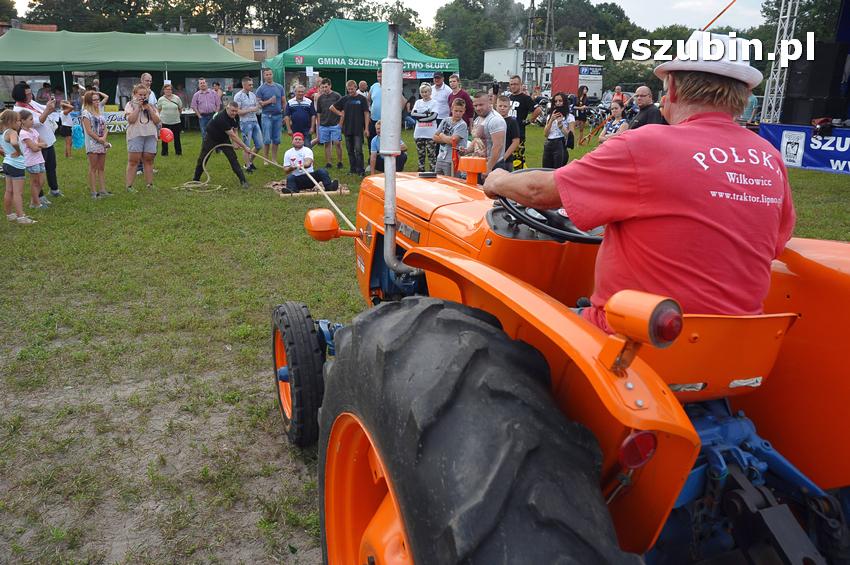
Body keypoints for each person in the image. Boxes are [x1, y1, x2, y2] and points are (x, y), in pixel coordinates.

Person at [482, 31, 796, 334]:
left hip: (633, 338)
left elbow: (541, 191)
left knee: (506, 325)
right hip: (734, 347)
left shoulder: (645, 145)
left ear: (671, 88)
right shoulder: (769, 157)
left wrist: (499, 179)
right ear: (744, 96)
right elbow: (774, 242)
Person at [12, 82, 62, 202]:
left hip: (47, 140)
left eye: (30, 93)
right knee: (38, 172)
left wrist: (49, 106)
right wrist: (48, 110)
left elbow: (42, 109)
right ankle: (40, 196)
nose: (31, 96)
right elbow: (38, 121)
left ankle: (54, 189)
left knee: (51, 166)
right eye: (28, 94)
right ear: (20, 96)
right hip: (36, 143)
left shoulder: (30, 102)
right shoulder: (18, 109)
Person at [193, 101, 250, 189]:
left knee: (233, 158)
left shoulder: (234, 116)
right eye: (232, 111)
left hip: (223, 138)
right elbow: (232, 135)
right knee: (203, 158)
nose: (234, 113)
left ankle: (243, 181)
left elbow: (235, 129)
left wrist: (235, 143)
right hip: (211, 137)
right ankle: (196, 179)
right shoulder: (221, 117)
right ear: (227, 108)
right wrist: (245, 147)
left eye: (236, 111)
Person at [125, 83, 161, 192]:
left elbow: (157, 121)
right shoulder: (130, 105)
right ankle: (129, 186)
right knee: (133, 161)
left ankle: (150, 184)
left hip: (150, 134)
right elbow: (131, 120)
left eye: (145, 95)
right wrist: (139, 108)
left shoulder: (152, 106)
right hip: (136, 134)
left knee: (149, 160)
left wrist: (148, 109)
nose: (142, 97)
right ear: (134, 94)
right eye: (140, 94)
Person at [1, 110, 35, 224]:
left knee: (8, 190)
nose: (20, 123)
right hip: (16, 165)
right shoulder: (13, 132)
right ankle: (21, 217)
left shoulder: (3, 132)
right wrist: (18, 151)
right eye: (18, 120)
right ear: (11, 121)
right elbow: (15, 143)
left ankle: (10, 214)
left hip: (7, 163)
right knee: (17, 193)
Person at [331, 80, 370, 175]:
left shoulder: (362, 99)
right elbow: (332, 107)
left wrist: (366, 128)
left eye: (352, 89)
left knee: (358, 150)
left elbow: (366, 113)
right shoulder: (345, 99)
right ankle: (352, 169)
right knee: (350, 151)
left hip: (358, 129)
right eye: (348, 89)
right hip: (347, 129)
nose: (350, 91)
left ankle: (360, 170)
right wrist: (340, 113)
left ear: (356, 87)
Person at [80, 90, 111, 198]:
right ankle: (94, 192)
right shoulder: (86, 113)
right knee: (93, 168)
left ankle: (103, 190)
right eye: (94, 100)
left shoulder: (99, 111)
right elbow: (89, 131)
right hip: (92, 143)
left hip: (102, 142)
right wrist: (100, 139)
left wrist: (104, 138)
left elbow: (105, 127)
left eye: (98, 99)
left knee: (101, 168)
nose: (97, 102)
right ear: (89, 101)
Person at [506, 75, 540, 169]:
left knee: (517, 158)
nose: (513, 86)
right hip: (507, 131)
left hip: (518, 133)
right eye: (511, 84)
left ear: (520, 85)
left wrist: (528, 121)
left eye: (516, 84)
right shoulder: (509, 97)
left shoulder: (525, 98)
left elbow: (537, 110)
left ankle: (521, 178)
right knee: (507, 157)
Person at [18, 110, 49, 210]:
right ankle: (36, 203)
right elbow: (34, 148)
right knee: (35, 182)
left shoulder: (33, 131)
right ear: (23, 121)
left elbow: (44, 143)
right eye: (30, 119)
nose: (32, 121)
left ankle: (33, 201)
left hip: (39, 159)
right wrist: (38, 145)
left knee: (41, 181)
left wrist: (37, 145)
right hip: (31, 161)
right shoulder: (23, 134)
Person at [471, 91, 506, 177]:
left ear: (489, 103)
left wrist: (489, 167)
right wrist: (466, 150)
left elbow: (498, 146)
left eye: (481, 105)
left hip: (493, 166)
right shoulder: (478, 119)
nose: (478, 108)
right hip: (479, 163)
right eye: (475, 106)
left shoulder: (495, 120)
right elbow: (477, 140)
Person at [432, 98, 469, 176]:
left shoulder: (462, 124)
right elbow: (434, 137)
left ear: (464, 111)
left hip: (452, 160)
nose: (458, 113)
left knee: (450, 183)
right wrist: (447, 138)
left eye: (460, 111)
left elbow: (453, 141)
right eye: (456, 111)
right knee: (438, 181)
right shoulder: (445, 120)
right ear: (451, 109)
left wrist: (441, 135)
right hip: (440, 157)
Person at [234, 76, 263, 172]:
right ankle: (247, 166)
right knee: (246, 145)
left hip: (254, 121)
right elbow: (237, 111)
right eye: (249, 85)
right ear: (244, 85)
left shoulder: (252, 95)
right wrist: (250, 109)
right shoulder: (238, 96)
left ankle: (249, 161)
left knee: (259, 145)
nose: (251, 86)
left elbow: (257, 108)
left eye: (252, 84)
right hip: (245, 123)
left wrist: (259, 106)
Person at [256, 69, 285, 164]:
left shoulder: (279, 87)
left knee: (276, 139)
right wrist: (269, 101)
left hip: (278, 116)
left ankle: (274, 159)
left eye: (270, 74)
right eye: (266, 74)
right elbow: (259, 105)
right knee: (267, 139)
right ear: (264, 76)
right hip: (266, 116)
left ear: (273, 75)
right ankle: (266, 159)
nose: (269, 76)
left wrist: (285, 115)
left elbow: (284, 102)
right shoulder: (260, 89)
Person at [315, 78, 343, 169]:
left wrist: (340, 123)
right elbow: (318, 112)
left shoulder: (337, 96)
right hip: (324, 124)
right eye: (322, 87)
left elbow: (342, 110)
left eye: (326, 87)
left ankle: (340, 161)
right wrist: (319, 125)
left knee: (337, 142)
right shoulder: (320, 98)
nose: (324, 89)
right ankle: (329, 162)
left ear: (330, 86)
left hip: (335, 124)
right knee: (326, 143)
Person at [410, 83, 439, 172]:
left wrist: (421, 118)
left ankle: (433, 172)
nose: (424, 94)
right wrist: (426, 114)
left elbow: (433, 116)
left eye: (426, 92)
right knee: (420, 155)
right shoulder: (418, 102)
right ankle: (420, 171)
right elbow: (413, 114)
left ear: (430, 92)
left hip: (430, 134)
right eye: (422, 92)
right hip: (419, 133)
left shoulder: (434, 103)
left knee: (431, 155)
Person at [542, 92, 575, 168]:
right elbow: (545, 134)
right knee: (546, 170)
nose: (558, 103)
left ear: (564, 102)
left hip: (560, 144)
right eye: (556, 101)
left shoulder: (569, 117)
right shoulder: (550, 116)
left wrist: (561, 126)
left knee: (557, 170)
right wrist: (551, 120)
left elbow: (571, 136)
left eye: (560, 101)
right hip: (548, 144)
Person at [494, 95, 520, 171]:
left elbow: (516, 141)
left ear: (509, 107)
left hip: (506, 160)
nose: (502, 108)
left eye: (505, 106)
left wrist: (504, 157)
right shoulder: (493, 120)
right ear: (496, 106)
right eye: (500, 106)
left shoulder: (512, 122)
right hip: (492, 157)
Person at [157, 83, 184, 156]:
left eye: (170, 89)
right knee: (164, 139)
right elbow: (158, 110)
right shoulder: (161, 99)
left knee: (177, 138)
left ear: (172, 90)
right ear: (164, 90)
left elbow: (180, 108)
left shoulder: (177, 98)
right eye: (167, 89)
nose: (168, 91)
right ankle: (164, 153)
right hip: (165, 122)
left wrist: (176, 115)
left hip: (176, 121)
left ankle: (178, 153)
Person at [367, 70, 382, 142]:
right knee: (371, 139)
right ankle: (372, 153)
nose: (379, 78)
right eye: (378, 76)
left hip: (386, 120)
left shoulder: (391, 87)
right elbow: (368, 100)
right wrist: (368, 112)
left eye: (381, 76)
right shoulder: (374, 86)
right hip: (373, 118)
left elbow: (403, 101)